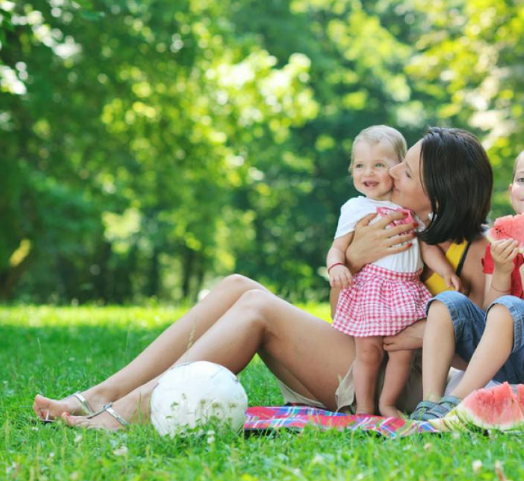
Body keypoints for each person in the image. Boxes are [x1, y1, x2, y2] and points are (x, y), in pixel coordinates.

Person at [32, 127, 493, 430]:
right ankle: (101, 395)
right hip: (359, 350)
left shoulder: (476, 248)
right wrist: (350, 262)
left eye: (405, 169)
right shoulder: (396, 225)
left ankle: (126, 415)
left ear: (437, 189)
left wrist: (421, 329)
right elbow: (344, 316)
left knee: (259, 309)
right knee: (236, 285)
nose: (390, 172)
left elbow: (491, 345)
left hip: (402, 385)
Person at [412, 146, 524, 420]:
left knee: (509, 305)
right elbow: (489, 312)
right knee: (445, 302)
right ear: (512, 191)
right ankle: (430, 402)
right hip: (505, 355)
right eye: (523, 180)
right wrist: (501, 270)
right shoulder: (499, 243)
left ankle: (456, 403)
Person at [326, 125, 460, 417]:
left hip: (406, 290)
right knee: (369, 352)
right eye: (360, 165)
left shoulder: (408, 207)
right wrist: (336, 265)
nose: (368, 173)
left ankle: (387, 403)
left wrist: (445, 270)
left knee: (403, 352)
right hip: (372, 290)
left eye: (379, 165)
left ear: (397, 168)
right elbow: (338, 247)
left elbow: (426, 247)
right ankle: (364, 407)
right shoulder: (355, 208)